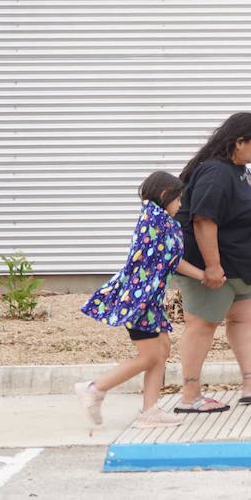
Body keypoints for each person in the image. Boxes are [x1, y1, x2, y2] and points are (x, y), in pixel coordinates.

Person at [172, 111, 251, 413]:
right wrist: (212, 266)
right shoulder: (216, 172)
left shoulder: (238, 169)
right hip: (217, 269)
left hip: (242, 270)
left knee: (244, 317)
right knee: (202, 325)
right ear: (239, 143)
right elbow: (203, 219)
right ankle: (190, 395)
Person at [73, 171, 204, 428]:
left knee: (162, 349)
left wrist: (201, 275)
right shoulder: (156, 221)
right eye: (178, 200)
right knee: (149, 356)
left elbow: (169, 260)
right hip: (140, 300)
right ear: (165, 196)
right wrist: (204, 274)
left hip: (148, 299)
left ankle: (149, 411)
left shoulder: (157, 219)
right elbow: (169, 260)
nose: (180, 206)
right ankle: (95, 389)